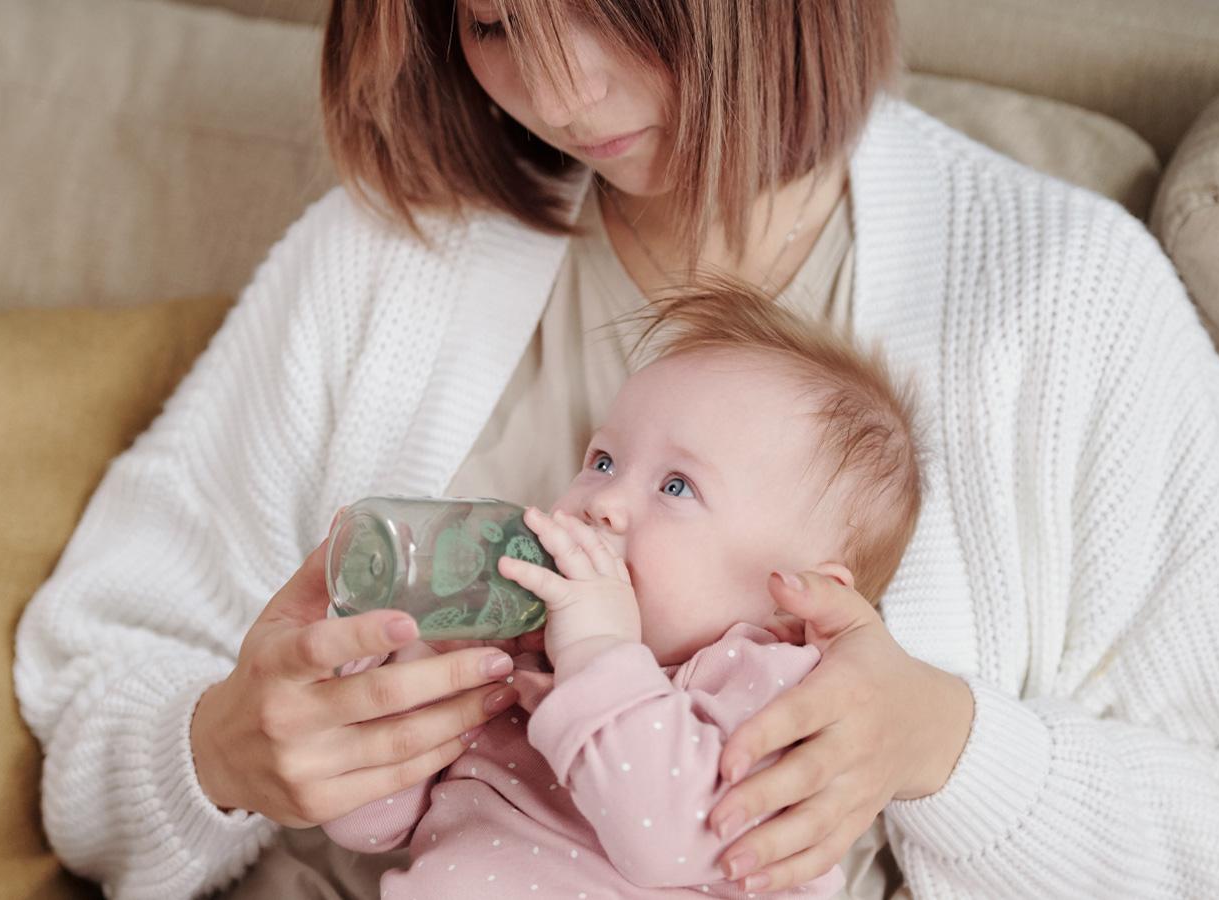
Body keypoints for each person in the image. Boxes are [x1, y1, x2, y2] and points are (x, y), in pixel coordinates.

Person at [12, 0, 1219, 897]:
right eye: (492, 19)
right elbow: (94, 686)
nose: (560, 89)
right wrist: (218, 756)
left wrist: (947, 748)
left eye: (613, 5)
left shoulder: (1063, 298)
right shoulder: (396, 256)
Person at [318, 287, 929, 898]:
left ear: (797, 597)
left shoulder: (778, 692)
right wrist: (423, 654)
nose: (602, 503)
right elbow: (367, 824)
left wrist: (599, 652)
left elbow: (667, 841)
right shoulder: (519, 656)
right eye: (604, 460)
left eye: (677, 487)